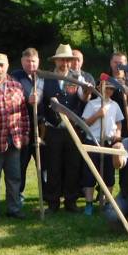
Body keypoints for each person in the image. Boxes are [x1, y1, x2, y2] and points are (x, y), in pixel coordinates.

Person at [39, 43, 88, 212]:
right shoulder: (45, 78)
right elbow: (37, 98)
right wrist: (34, 98)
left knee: (72, 165)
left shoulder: (77, 78)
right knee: (53, 165)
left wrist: (87, 91)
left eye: (67, 60)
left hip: (72, 130)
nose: (65, 63)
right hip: (52, 129)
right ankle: (53, 202)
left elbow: (83, 98)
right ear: (56, 61)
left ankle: (70, 201)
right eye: (62, 60)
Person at [0, 53, 29, 222]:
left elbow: (23, 112)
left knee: (14, 177)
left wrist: (25, 132)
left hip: (14, 139)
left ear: (7, 65)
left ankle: (14, 208)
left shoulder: (16, 85)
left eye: (2, 65)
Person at [80, 77, 125, 215]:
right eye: (106, 88)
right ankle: (89, 203)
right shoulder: (92, 104)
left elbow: (119, 122)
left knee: (109, 174)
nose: (109, 91)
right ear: (100, 88)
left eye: (111, 89)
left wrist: (118, 133)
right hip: (93, 142)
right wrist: (97, 114)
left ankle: (106, 202)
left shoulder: (115, 105)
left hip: (108, 143)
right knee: (90, 174)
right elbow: (84, 124)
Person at [11, 47, 43, 206]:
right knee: (21, 163)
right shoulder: (15, 77)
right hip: (23, 128)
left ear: (38, 61)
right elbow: (12, 98)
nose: (31, 64)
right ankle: (18, 195)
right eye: (28, 61)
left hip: (41, 128)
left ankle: (47, 194)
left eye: (33, 61)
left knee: (43, 163)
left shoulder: (42, 77)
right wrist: (26, 99)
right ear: (22, 62)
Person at [108, 51, 128, 134]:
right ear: (111, 63)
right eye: (115, 62)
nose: (118, 65)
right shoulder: (104, 80)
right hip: (111, 123)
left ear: (126, 64)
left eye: (121, 63)